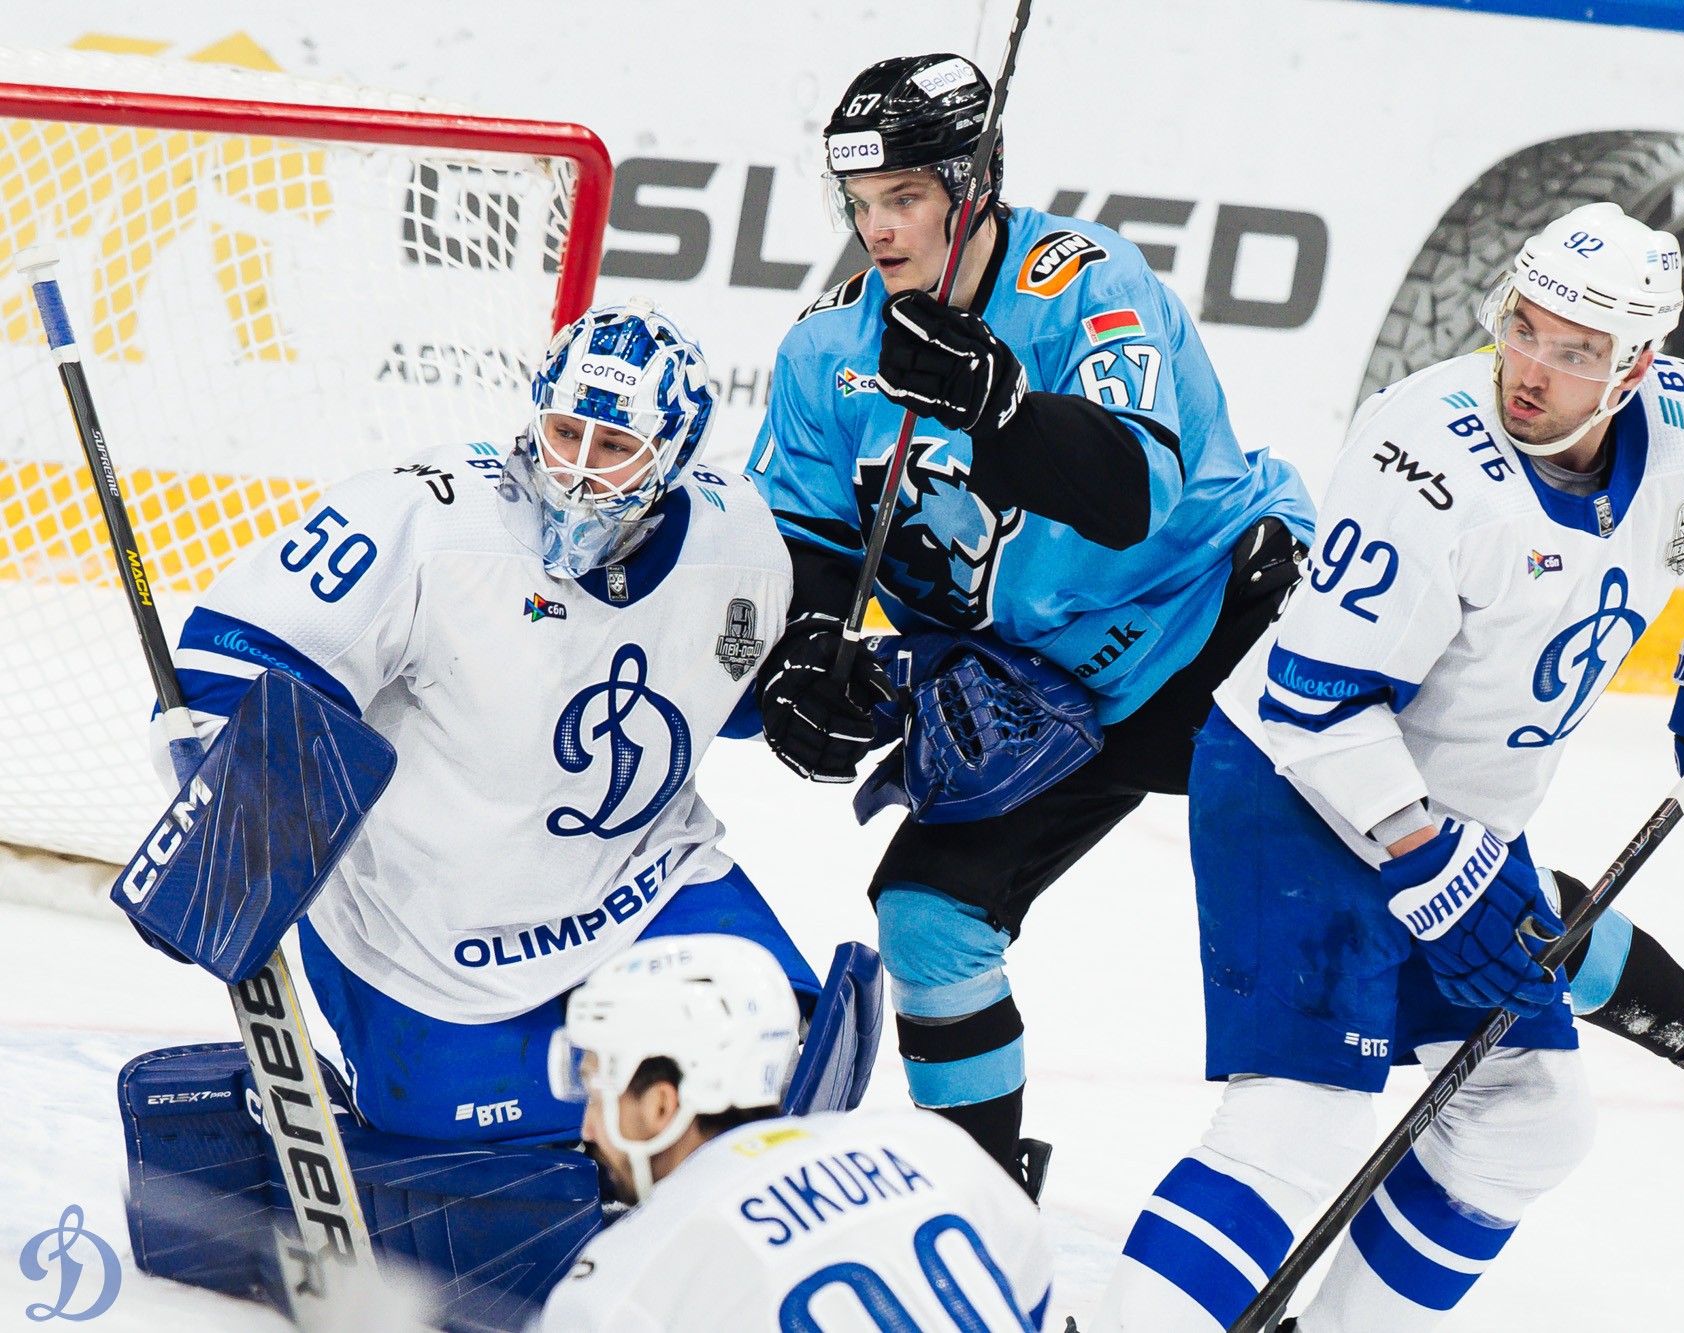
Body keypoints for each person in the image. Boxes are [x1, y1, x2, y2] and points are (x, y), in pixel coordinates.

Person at [1095, 203, 1684, 1331]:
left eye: (1574, 350)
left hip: (1458, 820)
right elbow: (1316, 703)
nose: (1529, 369)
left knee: (1527, 1117)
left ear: (1637, 366)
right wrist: (1428, 861)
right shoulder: (1425, 453)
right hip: (1299, 789)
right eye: (1522, 327)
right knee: (1296, 1124)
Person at [746, 51, 1317, 1186]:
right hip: (1035, 694)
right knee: (926, 920)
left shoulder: (1087, 283)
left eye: (905, 196)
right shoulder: (825, 350)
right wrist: (805, 650)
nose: (878, 230)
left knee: (1391, 871)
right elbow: (808, 542)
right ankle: (983, 1198)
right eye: (859, 202)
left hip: (1207, 628)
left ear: (974, 185)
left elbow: (1133, 489)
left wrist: (998, 405)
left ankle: (1627, 989)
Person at [153, 299, 821, 1143]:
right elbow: (232, 658)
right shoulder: (431, 519)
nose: (576, 472)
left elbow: (731, 690)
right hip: (426, 935)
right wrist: (226, 802)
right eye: (564, 433)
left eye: (614, 447)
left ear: (675, 456)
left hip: (641, 886)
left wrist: (803, 699)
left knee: (773, 1062)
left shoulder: (741, 544)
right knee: (490, 1149)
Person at [534, 933, 1054, 1332]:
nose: (589, 1127)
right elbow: (1027, 1299)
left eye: (600, 1093)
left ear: (662, 1105)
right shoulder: (926, 1147)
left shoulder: (626, 1281)